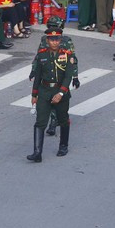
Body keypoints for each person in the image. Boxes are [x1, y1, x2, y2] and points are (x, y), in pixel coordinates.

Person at [27, 26, 77, 162]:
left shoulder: (67, 55)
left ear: (60, 40)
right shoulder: (42, 55)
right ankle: (37, 153)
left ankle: (63, 146)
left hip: (60, 91)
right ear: (47, 41)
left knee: (63, 120)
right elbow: (38, 76)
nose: (54, 42)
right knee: (40, 122)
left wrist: (60, 93)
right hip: (44, 91)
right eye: (52, 40)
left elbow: (68, 76)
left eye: (57, 39)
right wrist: (34, 95)